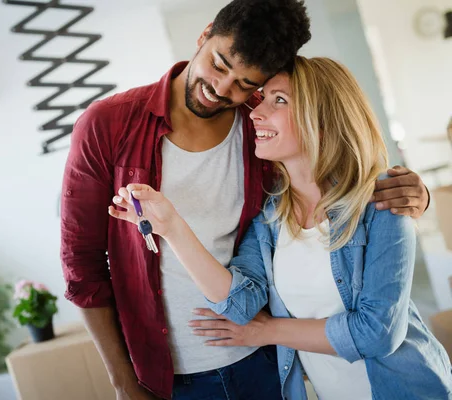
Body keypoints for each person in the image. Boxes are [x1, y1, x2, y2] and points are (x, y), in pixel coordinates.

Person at [62, 0, 429, 398]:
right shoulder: (109, 124)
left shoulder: (261, 128)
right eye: (219, 65)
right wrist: (123, 382)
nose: (221, 89)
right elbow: (82, 265)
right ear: (205, 35)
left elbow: (331, 160)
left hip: (268, 362)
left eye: (245, 84)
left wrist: (414, 195)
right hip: (167, 373)